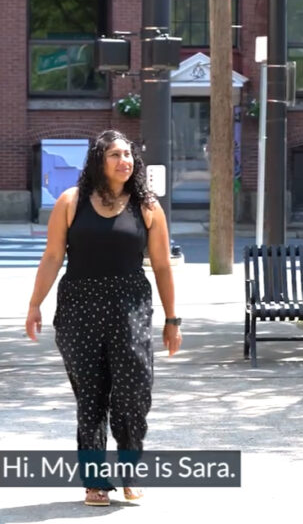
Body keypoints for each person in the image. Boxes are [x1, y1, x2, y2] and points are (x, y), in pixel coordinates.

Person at [25, 129, 182, 506]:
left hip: (130, 306)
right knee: (91, 397)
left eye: (128, 155)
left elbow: (161, 266)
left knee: (133, 392)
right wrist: (35, 304)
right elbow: (51, 258)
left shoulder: (147, 206)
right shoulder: (71, 202)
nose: (124, 161)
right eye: (115, 155)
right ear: (99, 160)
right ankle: (95, 481)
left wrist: (172, 319)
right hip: (79, 307)